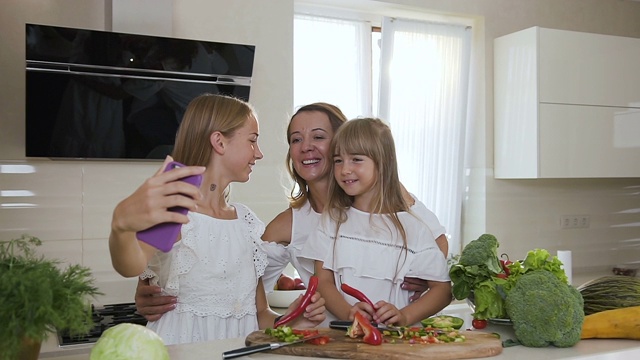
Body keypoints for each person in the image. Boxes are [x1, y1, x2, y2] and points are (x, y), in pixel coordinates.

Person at [134, 103, 449, 320]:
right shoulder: (287, 225)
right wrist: (152, 282)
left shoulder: (390, 201)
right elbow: (236, 279)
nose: (305, 147)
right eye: (296, 139)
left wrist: (414, 276)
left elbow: (436, 245)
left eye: (319, 137)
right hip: (326, 343)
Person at [108, 94, 326, 345]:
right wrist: (120, 228)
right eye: (252, 141)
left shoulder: (247, 222)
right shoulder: (175, 207)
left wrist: (293, 320)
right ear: (220, 142)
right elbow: (129, 266)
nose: (259, 153)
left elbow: (258, 314)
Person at [300, 118, 452, 327]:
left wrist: (405, 315)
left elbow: (442, 291)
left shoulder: (413, 228)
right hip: (345, 342)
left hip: (397, 346)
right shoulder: (333, 221)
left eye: (356, 159)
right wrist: (348, 313)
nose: (345, 170)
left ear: (383, 164)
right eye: (338, 160)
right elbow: (322, 282)